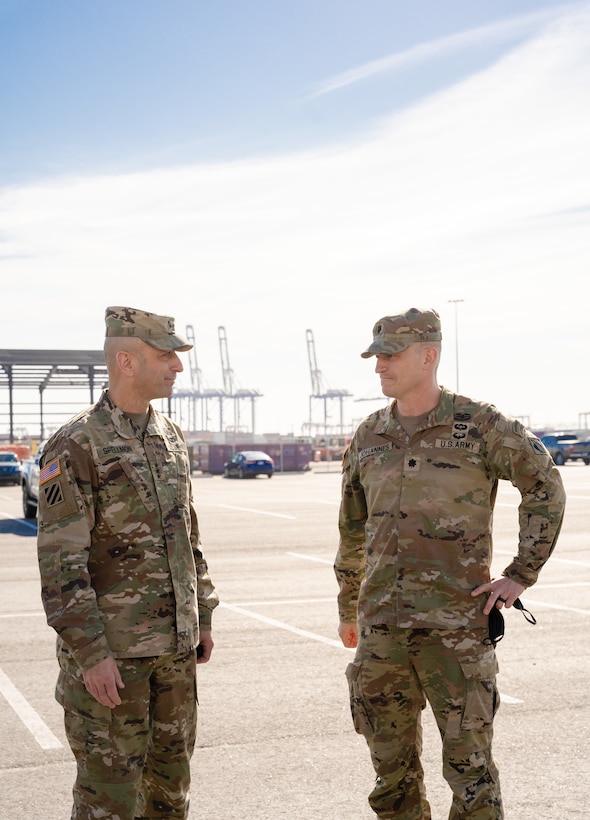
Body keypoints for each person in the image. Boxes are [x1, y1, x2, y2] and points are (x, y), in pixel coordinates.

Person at [335, 307, 565, 819]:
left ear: (428, 355)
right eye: (376, 357)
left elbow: (544, 484)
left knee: (472, 774)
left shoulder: (479, 425)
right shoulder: (369, 435)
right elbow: (352, 529)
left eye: (390, 356)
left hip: (455, 631)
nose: (380, 367)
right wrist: (349, 608)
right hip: (382, 634)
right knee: (390, 775)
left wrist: (521, 573)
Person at [37, 306, 219, 820]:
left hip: (175, 658)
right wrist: (91, 653)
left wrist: (202, 615)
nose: (178, 367)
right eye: (166, 356)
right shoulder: (76, 444)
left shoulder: (170, 438)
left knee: (170, 796)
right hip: (114, 665)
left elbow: (188, 535)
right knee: (108, 803)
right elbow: (60, 563)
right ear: (126, 361)